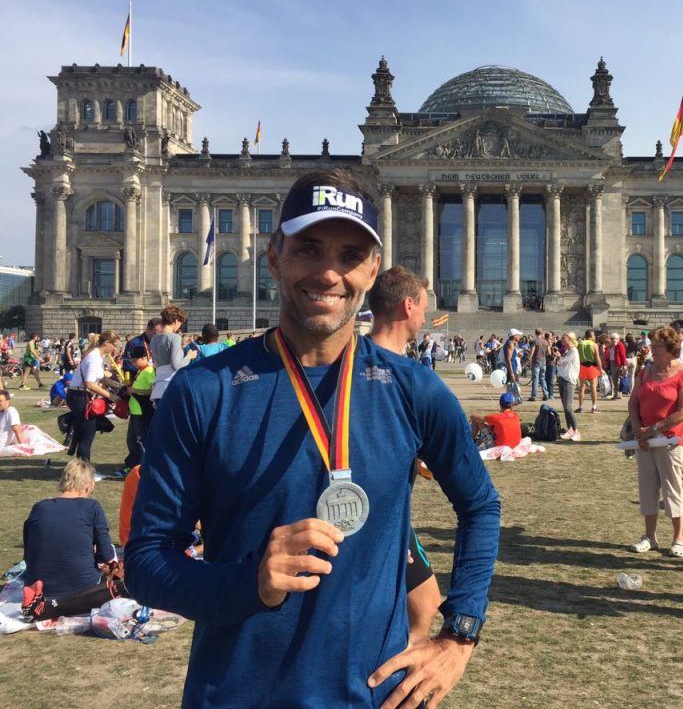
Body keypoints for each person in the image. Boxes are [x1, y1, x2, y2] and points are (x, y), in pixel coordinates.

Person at [125, 168, 500, 708]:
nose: (329, 272)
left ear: (372, 269)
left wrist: (460, 633)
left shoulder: (413, 389)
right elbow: (147, 563)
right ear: (274, 255)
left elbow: (481, 504)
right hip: (235, 694)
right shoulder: (204, 391)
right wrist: (249, 582)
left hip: (371, 696)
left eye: (349, 254)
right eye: (309, 248)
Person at [367, 265, 445, 640]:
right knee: (423, 605)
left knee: (425, 601)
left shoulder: (351, 362)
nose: (427, 317)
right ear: (408, 307)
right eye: (424, 307)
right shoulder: (405, 378)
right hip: (376, 521)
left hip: (384, 518)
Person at [626, 326, 683, 558]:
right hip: (645, 440)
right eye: (652, 346)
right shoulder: (645, 372)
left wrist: (653, 430)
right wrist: (638, 429)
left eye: (657, 346)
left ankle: (679, 538)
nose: (652, 350)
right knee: (647, 489)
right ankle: (650, 536)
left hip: (670, 441)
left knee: (672, 488)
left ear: (670, 348)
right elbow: (633, 403)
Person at [21, 458, 123, 618]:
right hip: (83, 585)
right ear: (87, 487)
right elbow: (106, 555)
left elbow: (28, 555)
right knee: (120, 578)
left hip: (38, 584)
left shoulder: (39, 508)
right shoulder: (92, 507)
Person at [66, 330, 121, 462]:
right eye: (115, 345)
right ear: (107, 343)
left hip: (79, 394)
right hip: (80, 396)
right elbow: (90, 384)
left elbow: (101, 378)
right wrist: (111, 396)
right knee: (88, 435)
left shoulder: (97, 357)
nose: (115, 349)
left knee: (85, 431)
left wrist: (118, 386)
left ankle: (78, 455)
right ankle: (84, 467)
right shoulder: (94, 358)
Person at [149, 305, 196, 405]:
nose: (180, 325)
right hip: (171, 387)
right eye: (181, 322)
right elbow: (176, 366)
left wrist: (181, 348)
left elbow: (165, 356)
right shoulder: (175, 337)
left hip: (158, 388)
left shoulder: (154, 338)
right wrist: (189, 356)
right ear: (176, 320)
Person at [122, 346, 155, 473]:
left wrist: (135, 390)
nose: (132, 363)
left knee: (140, 441)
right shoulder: (141, 371)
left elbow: (152, 390)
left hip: (142, 412)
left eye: (135, 360)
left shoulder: (149, 371)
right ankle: (132, 465)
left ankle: (144, 467)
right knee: (131, 440)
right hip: (135, 411)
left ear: (143, 358)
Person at [555, 332, 581, 441]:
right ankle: (570, 429)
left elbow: (563, 361)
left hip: (569, 381)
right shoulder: (567, 351)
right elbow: (560, 363)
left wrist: (559, 357)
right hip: (562, 379)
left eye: (564, 338)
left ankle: (576, 431)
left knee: (568, 407)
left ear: (570, 339)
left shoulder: (573, 351)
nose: (561, 339)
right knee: (565, 407)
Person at [576, 329, 602, 413]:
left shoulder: (580, 344)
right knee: (593, 387)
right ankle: (594, 407)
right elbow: (597, 359)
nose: (594, 337)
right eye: (594, 335)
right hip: (592, 367)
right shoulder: (594, 345)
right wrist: (600, 369)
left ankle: (580, 407)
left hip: (582, 367)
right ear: (591, 336)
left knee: (582, 387)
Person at [527, 328, 551, 402]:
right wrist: (543, 354)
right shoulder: (545, 342)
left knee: (535, 379)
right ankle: (546, 394)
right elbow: (549, 353)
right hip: (543, 361)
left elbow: (532, 351)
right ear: (542, 333)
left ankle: (533, 396)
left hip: (536, 360)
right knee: (542, 378)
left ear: (535, 333)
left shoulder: (535, 341)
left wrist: (529, 358)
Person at [609, 332, 627, 400]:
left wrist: (624, 365)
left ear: (617, 339)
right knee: (615, 379)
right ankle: (618, 394)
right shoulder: (613, 345)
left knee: (616, 379)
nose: (612, 340)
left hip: (617, 364)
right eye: (611, 338)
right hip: (612, 363)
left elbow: (623, 355)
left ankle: (617, 394)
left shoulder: (620, 345)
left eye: (613, 339)